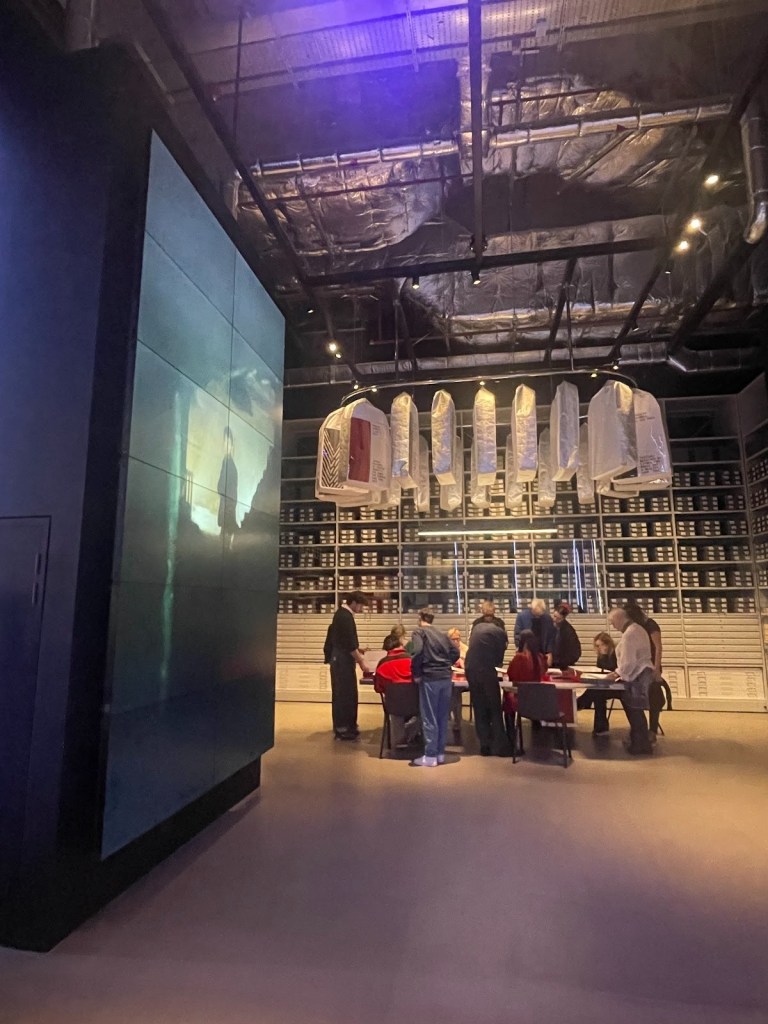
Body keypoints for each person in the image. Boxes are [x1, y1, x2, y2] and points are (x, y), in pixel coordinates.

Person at [409, 608, 460, 767]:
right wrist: (446, 664)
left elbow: (417, 651)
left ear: (420, 618)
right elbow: (455, 652)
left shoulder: (419, 633)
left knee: (429, 717)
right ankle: (440, 753)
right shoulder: (442, 634)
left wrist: (417, 673)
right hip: (445, 677)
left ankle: (430, 755)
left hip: (430, 677)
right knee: (442, 716)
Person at [606, 606, 654, 755]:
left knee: (634, 710)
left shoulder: (630, 634)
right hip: (640, 673)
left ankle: (639, 745)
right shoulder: (636, 629)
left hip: (637, 676)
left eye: (613, 622)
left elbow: (628, 662)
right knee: (636, 711)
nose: (613, 626)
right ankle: (641, 743)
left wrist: (617, 674)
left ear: (620, 619)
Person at [465, 607, 511, 757]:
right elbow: (500, 654)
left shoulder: (477, 627)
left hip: (470, 669)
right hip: (485, 670)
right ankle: (501, 747)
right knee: (494, 707)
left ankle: (484, 745)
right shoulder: (500, 633)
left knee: (479, 706)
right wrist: (497, 664)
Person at [625, 599, 672, 740]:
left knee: (654, 697)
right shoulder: (634, 627)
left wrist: (656, 669)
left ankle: (652, 730)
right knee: (635, 697)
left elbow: (658, 647)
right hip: (638, 667)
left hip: (651, 666)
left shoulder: (650, 625)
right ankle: (640, 728)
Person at [325, 591, 368, 740]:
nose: (361, 609)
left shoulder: (342, 615)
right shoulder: (345, 617)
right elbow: (348, 643)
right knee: (344, 694)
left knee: (345, 693)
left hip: (340, 660)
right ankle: (344, 728)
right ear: (354, 602)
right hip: (341, 662)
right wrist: (361, 661)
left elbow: (343, 640)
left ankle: (347, 725)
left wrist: (358, 650)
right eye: (360, 606)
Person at [374, 633, 421, 748]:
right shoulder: (412, 660)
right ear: (401, 645)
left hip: (393, 706)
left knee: (396, 708)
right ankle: (410, 733)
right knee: (424, 711)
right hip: (416, 704)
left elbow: (378, 688)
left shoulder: (382, 664)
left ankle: (399, 739)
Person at [576, 632, 618, 736]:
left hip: (616, 685)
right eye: (598, 646)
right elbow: (600, 670)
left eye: (602, 645)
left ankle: (581, 703)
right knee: (597, 693)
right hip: (605, 684)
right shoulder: (601, 656)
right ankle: (601, 727)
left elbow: (614, 670)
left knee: (596, 693)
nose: (600, 648)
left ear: (608, 644)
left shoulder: (615, 655)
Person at [502, 629, 547, 720]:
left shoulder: (519, 658)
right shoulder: (541, 658)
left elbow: (511, 675)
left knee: (507, 693)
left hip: (520, 697)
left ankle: (510, 727)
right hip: (537, 697)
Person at [513, 598, 555, 662]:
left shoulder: (547, 618)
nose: (537, 617)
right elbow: (518, 634)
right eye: (536, 614)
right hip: (526, 651)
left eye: (540, 615)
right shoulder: (522, 616)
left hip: (542, 651)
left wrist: (549, 652)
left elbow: (551, 636)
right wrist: (519, 648)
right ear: (532, 609)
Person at [447, 627, 468, 742]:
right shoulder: (446, 649)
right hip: (451, 679)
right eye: (453, 639)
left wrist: (462, 661)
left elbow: (468, 667)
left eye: (458, 639)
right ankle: (455, 719)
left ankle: (454, 719)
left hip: (464, 680)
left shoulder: (465, 649)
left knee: (455, 691)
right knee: (452, 690)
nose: (456, 641)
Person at [550, 601, 582, 670]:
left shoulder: (569, 631)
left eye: (558, 618)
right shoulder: (550, 627)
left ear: (563, 618)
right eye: (554, 616)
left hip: (563, 664)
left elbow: (576, 652)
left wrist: (564, 662)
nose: (555, 620)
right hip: (552, 663)